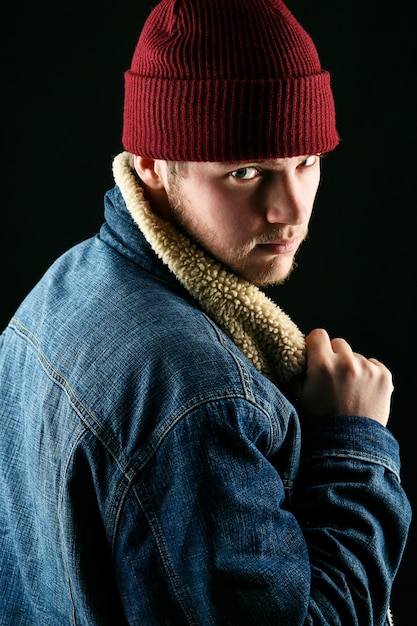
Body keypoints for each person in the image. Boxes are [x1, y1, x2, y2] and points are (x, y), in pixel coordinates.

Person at [0, 0, 411, 624]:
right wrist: (354, 447)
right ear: (152, 165)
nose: (290, 209)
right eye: (246, 172)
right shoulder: (203, 398)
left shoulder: (61, 287)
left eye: (307, 163)